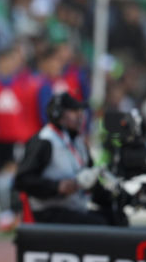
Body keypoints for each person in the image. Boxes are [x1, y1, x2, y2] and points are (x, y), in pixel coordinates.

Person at [14, 93, 127, 226]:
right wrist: (57, 187)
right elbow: (22, 180)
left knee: (117, 218)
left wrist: (117, 197)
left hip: (74, 209)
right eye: (74, 111)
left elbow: (91, 182)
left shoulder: (79, 142)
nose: (80, 115)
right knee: (98, 224)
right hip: (48, 212)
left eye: (81, 111)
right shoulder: (44, 141)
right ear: (58, 114)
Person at [0, 47, 40, 231]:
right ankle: (3, 212)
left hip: (17, 136)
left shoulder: (26, 83)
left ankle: (13, 212)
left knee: (13, 172)